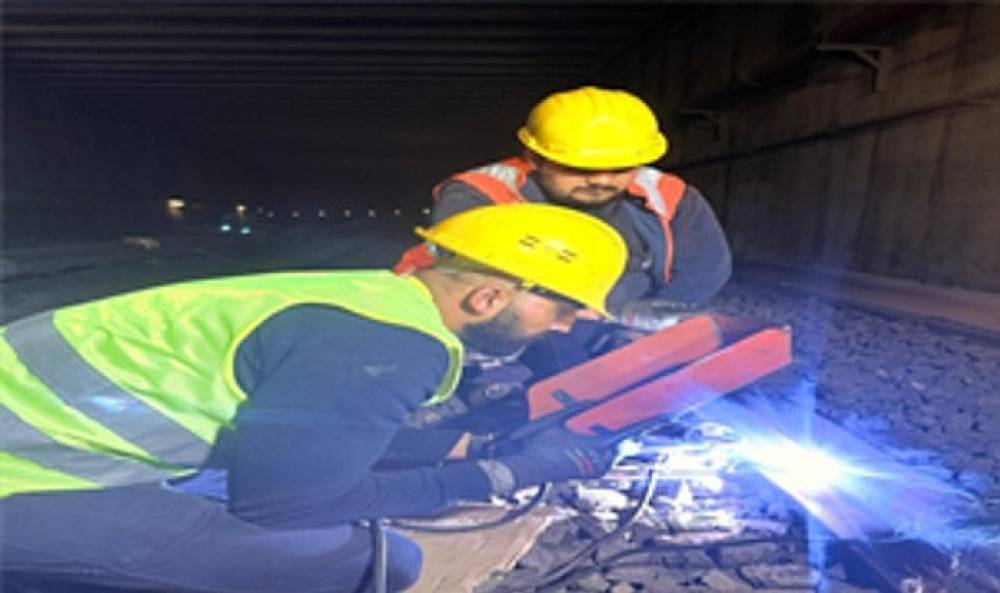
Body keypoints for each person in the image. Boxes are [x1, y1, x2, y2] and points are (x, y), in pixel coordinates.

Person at [0, 203, 627, 593]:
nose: (567, 326)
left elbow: (295, 427)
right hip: (20, 483)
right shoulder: (387, 344)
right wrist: (498, 477)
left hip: (35, 450)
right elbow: (288, 503)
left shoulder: (365, 301)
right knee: (380, 562)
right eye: (565, 307)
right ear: (490, 296)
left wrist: (468, 446)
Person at [394, 85, 733, 437]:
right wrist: (580, 315)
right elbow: (485, 283)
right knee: (526, 370)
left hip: (608, 314)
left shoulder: (667, 194)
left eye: (619, 168)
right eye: (578, 168)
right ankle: (478, 385)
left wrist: (643, 327)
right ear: (534, 157)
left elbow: (706, 267)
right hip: (506, 314)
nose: (601, 180)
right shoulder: (481, 192)